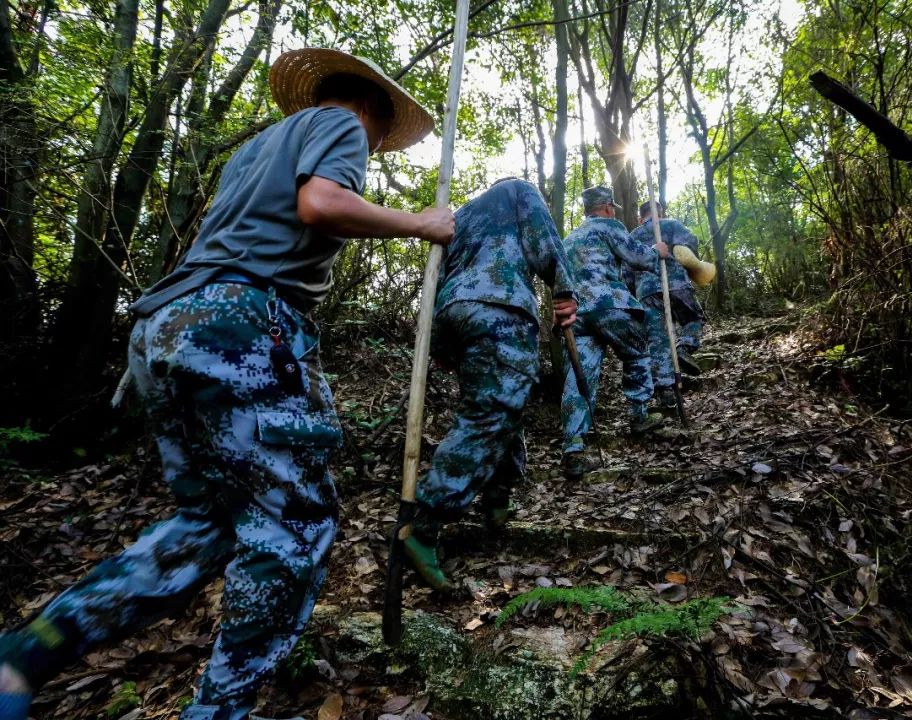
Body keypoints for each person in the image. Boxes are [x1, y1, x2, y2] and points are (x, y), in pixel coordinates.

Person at [0, 48, 454, 720]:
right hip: (242, 324)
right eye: (381, 134)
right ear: (373, 113)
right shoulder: (341, 125)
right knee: (294, 522)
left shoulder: (257, 151)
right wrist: (420, 223)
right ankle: (218, 710)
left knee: (210, 520)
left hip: (166, 327)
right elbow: (322, 203)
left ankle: (31, 653)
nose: (376, 145)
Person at [403, 178, 578, 590]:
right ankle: (422, 524)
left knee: (503, 403)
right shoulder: (518, 190)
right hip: (498, 305)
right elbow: (543, 239)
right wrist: (563, 288)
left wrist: (439, 341)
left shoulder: (460, 216)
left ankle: (497, 499)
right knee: (491, 413)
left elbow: (438, 270)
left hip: (453, 312)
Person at [560, 186, 667, 479]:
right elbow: (638, 258)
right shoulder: (609, 226)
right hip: (609, 305)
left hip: (577, 315)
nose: (615, 211)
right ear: (607, 207)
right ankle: (639, 415)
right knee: (636, 351)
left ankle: (573, 447)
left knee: (580, 376)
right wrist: (656, 252)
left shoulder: (569, 239)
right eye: (613, 207)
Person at [628, 201, 708, 408]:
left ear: (640, 217)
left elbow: (626, 272)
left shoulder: (633, 237)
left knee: (657, 340)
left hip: (646, 292)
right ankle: (685, 347)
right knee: (693, 318)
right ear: (660, 212)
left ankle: (664, 389)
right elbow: (689, 248)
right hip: (676, 284)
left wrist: (634, 292)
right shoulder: (672, 225)